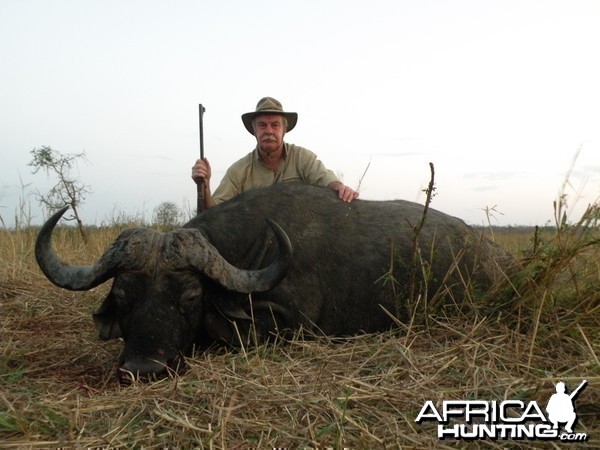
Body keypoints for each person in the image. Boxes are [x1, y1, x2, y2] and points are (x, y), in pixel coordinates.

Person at [191, 97, 359, 209]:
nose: (269, 131)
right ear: (254, 131)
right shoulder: (238, 171)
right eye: (262, 125)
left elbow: (324, 178)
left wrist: (340, 188)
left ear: (284, 130)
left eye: (275, 125)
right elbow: (214, 213)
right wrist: (204, 186)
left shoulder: (302, 158)